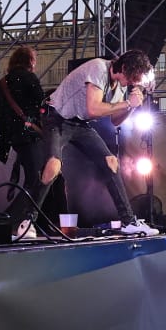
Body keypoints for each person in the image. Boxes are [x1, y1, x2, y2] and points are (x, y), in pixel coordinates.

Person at [30, 49, 157, 235]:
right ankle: (26, 220)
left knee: (111, 162)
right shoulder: (98, 68)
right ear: (123, 67)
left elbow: (115, 120)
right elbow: (93, 109)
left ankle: (129, 222)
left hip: (79, 123)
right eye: (132, 77)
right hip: (56, 117)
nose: (132, 82)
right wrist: (129, 104)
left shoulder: (120, 84)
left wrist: (132, 106)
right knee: (53, 165)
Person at [0, 45, 46, 234]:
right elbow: (41, 104)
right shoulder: (28, 78)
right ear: (29, 61)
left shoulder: (1, 83)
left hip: (13, 138)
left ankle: (14, 220)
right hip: (29, 134)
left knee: (32, 179)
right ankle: (12, 221)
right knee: (37, 179)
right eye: (34, 59)